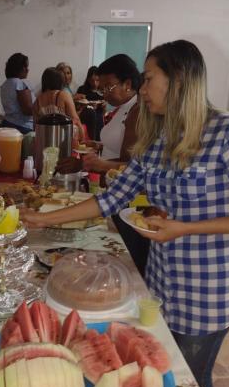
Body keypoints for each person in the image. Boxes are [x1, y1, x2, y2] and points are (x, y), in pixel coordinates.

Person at [23, 40, 229, 387]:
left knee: (190, 386)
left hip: (206, 292)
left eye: (148, 80)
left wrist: (185, 227)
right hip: (162, 281)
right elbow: (111, 200)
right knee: (163, 379)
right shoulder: (160, 138)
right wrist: (41, 218)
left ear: (178, 80)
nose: (142, 90)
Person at [57, 54, 147, 275]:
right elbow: (119, 145)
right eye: (102, 86)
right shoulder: (123, 108)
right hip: (115, 191)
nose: (104, 92)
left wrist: (98, 164)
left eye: (109, 86)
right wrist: (97, 145)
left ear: (128, 84)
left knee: (127, 258)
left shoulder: (137, 111)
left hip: (128, 197)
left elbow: (133, 164)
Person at [32, 67, 84, 141]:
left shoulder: (36, 102)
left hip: (44, 140)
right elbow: (75, 119)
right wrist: (82, 139)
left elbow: (35, 128)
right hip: (63, 139)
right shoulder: (64, 95)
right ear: (60, 81)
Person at [0, 53, 35, 134]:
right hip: (22, 127)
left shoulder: (6, 84)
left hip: (7, 123)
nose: (27, 70)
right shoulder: (20, 83)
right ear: (21, 68)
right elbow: (27, 110)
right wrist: (41, 108)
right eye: (26, 66)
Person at [75, 66, 105, 140]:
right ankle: (92, 140)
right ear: (88, 80)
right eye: (92, 80)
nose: (95, 83)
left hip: (98, 114)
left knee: (98, 116)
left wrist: (104, 106)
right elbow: (76, 107)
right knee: (91, 113)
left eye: (97, 80)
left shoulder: (102, 91)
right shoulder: (82, 89)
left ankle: (96, 141)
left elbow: (103, 112)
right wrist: (84, 104)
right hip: (85, 114)